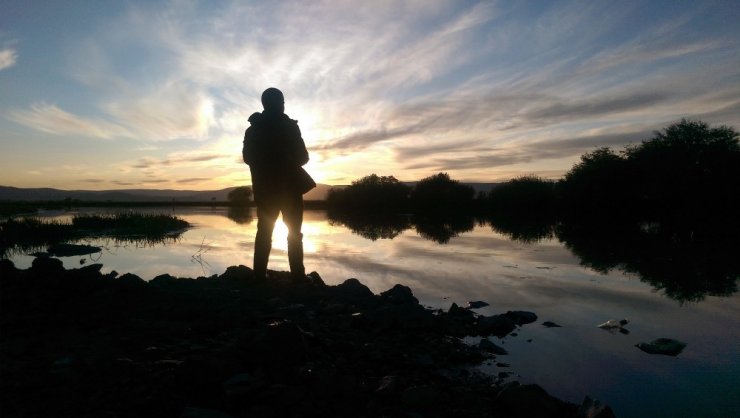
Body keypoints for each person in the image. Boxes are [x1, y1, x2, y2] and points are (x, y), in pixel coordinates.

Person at [242, 87, 315, 280]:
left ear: (264, 105)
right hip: (290, 189)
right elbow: (304, 157)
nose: (284, 106)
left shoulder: (252, 130)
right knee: (294, 232)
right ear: (279, 104)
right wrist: (285, 160)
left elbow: (248, 158)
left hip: (264, 189)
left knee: (264, 232)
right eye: (282, 102)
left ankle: (258, 276)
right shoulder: (290, 127)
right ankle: (298, 277)